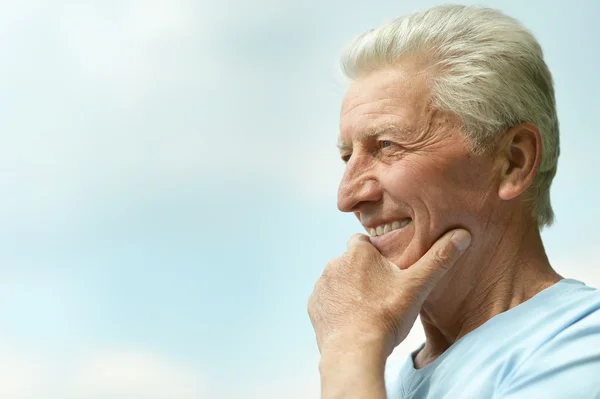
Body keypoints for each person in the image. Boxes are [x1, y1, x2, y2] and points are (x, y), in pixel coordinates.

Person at [307, 5, 600, 398]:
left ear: (514, 161)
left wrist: (348, 343)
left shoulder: (580, 344)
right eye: (347, 157)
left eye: (387, 145)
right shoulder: (381, 379)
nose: (348, 197)